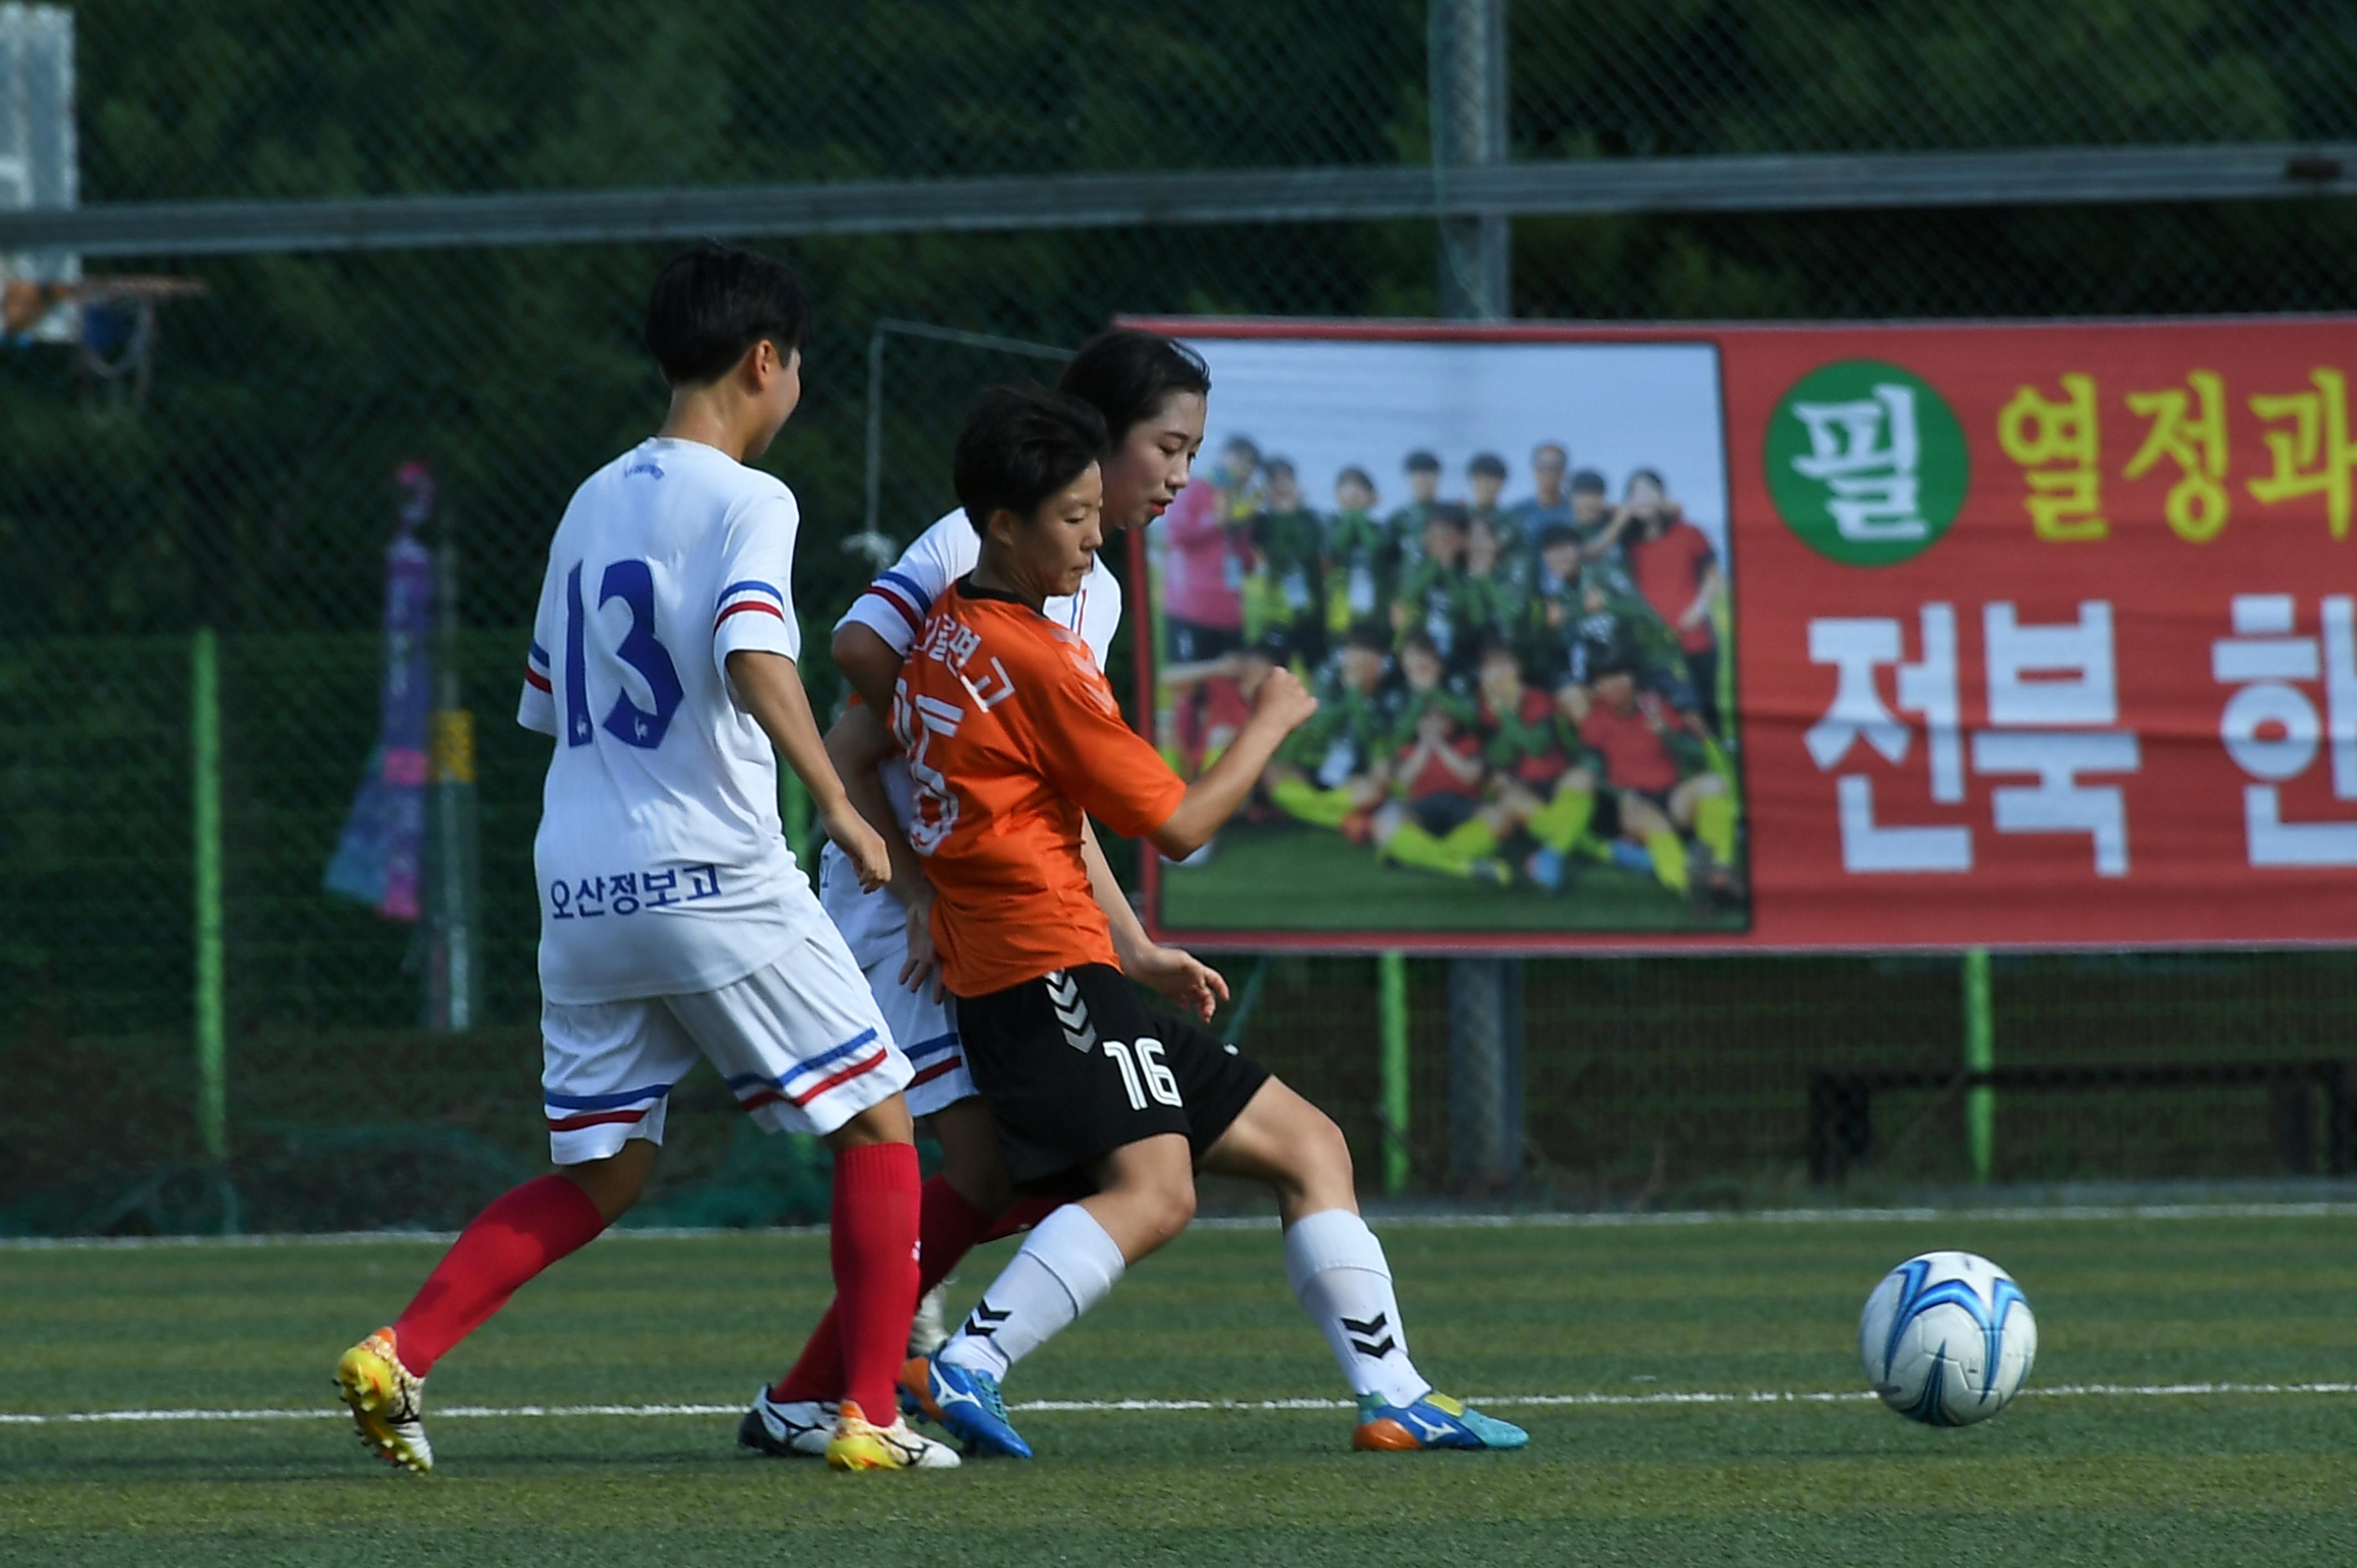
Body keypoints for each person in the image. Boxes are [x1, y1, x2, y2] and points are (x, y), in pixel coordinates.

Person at [333, 243, 948, 1476]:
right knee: (881, 1125)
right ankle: (870, 1417)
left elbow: (551, 705)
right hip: (713, 873)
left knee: (607, 1172)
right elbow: (753, 657)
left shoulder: (589, 498)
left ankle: (398, 1352)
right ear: (764, 361)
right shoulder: (748, 499)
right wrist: (836, 800)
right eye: (797, 366)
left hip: (579, 886)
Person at [897, 387, 1527, 1458]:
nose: (1097, 538)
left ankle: (1395, 1394)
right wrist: (1270, 720)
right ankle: (965, 1360)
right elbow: (1182, 823)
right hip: (1040, 973)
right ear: (1003, 524)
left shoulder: (950, 624)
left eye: (1100, 511)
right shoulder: (1040, 659)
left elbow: (998, 784)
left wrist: (1134, 946)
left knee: (1309, 1143)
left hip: (1061, 965)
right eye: (1072, 517)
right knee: (1157, 1190)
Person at [741, 328, 1214, 1458]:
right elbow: (861, 661)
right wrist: (919, 861)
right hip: (914, 900)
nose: (1181, 477)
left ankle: (870, 1361)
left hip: (989, 899)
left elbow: (1052, 794)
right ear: (1102, 442)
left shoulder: (1078, 577)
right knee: (968, 1159)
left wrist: (1131, 939)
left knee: (1015, 1165)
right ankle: (843, 1389)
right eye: (1170, 446)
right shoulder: (984, 541)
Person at [1575, 646, 1738, 901]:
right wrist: (1621, 796)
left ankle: (1720, 869)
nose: (1615, 684)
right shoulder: (1596, 720)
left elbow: (1695, 758)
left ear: (1632, 677)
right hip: (1632, 804)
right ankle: (1688, 884)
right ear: (1596, 687)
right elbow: (1590, 774)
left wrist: (1667, 734)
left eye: (1620, 675)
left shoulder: (1655, 704)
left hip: (1671, 797)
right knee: (1653, 824)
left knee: (1714, 784)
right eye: (1605, 679)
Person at [1370, 630, 1507, 884]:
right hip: (1421, 806)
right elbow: (1404, 774)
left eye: (1424, 661)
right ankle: (1462, 867)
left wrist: (1440, 737)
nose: (1433, 721)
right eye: (1412, 665)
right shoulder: (1403, 714)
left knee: (1500, 819)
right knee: (1383, 824)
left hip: (1464, 804)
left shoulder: (1459, 703)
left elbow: (1470, 771)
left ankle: (1414, 854)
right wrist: (1425, 738)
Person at [1469, 638, 1599, 894]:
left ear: (1518, 669)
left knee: (1583, 778)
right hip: (1522, 787)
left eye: (1505, 666)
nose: (1499, 674)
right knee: (1507, 799)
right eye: (1491, 668)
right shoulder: (1481, 709)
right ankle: (1601, 850)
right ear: (1482, 675)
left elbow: (1537, 746)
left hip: (1556, 780)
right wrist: (1504, 712)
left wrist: (1506, 715)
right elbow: (1501, 757)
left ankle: (1551, 855)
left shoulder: (1537, 698)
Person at [1618, 470, 1727, 739]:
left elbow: (1714, 578)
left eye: (1649, 492)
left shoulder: (1689, 534)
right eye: (1636, 494)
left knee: (1705, 707)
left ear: (1662, 496)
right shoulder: (1627, 544)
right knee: (1666, 714)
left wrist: (1699, 608)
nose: (1643, 500)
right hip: (1652, 646)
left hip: (1694, 637)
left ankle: (1719, 764)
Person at [1262, 622, 1396, 837]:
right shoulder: (1327, 678)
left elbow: (1368, 736)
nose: (1356, 662)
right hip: (1314, 767)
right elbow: (1321, 727)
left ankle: (1300, 809)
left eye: (1366, 659)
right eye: (1352, 655)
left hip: (1353, 776)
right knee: (1268, 769)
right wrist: (1349, 696)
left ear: (1382, 664)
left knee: (1376, 787)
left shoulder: (1390, 694)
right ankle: (1339, 819)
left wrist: (1356, 694)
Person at [1247, 457, 1326, 664]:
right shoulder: (1261, 522)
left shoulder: (1310, 518)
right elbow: (1275, 556)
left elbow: (1308, 552)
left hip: (1311, 615)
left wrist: (1291, 515)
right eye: (1275, 480)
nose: (1282, 485)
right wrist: (1283, 517)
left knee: (1314, 670)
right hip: (1275, 615)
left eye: (1287, 479)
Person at [1390, 503, 1472, 669]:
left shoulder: (1468, 565)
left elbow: (1465, 606)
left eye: (1449, 536)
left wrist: (1449, 570)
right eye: (1436, 535)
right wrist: (1435, 565)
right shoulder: (1416, 560)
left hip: (1459, 647)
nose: (1442, 542)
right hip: (1418, 645)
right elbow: (1408, 596)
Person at [1323, 466, 1392, 638]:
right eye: (1347, 487)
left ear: (1372, 496)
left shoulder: (1380, 528)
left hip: (1376, 611)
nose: (1353, 493)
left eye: (1359, 488)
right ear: (1337, 495)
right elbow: (1338, 545)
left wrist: (1360, 516)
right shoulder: (1331, 524)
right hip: (1340, 611)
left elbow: (1375, 547)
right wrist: (1350, 515)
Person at [1506, 442, 1574, 541]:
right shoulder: (1517, 514)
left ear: (1565, 472)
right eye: (1543, 466)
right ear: (1534, 470)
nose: (1549, 473)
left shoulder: (1576, 513)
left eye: (1556, 467)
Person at [1387, 449, 1443, 568]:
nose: (1423, 480)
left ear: (1437, 478)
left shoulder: (1450, 515)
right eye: (1417, 476)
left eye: (1428, 475)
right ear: (1408, 479)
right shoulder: (1398, 518)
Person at [1465, 451, 1516, 551]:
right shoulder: (1461, 517)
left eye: (1491, 481)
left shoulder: (1510, 522)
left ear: (1502, 484)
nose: (1486, 486)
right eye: (1481, 480)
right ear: (1471, 481)